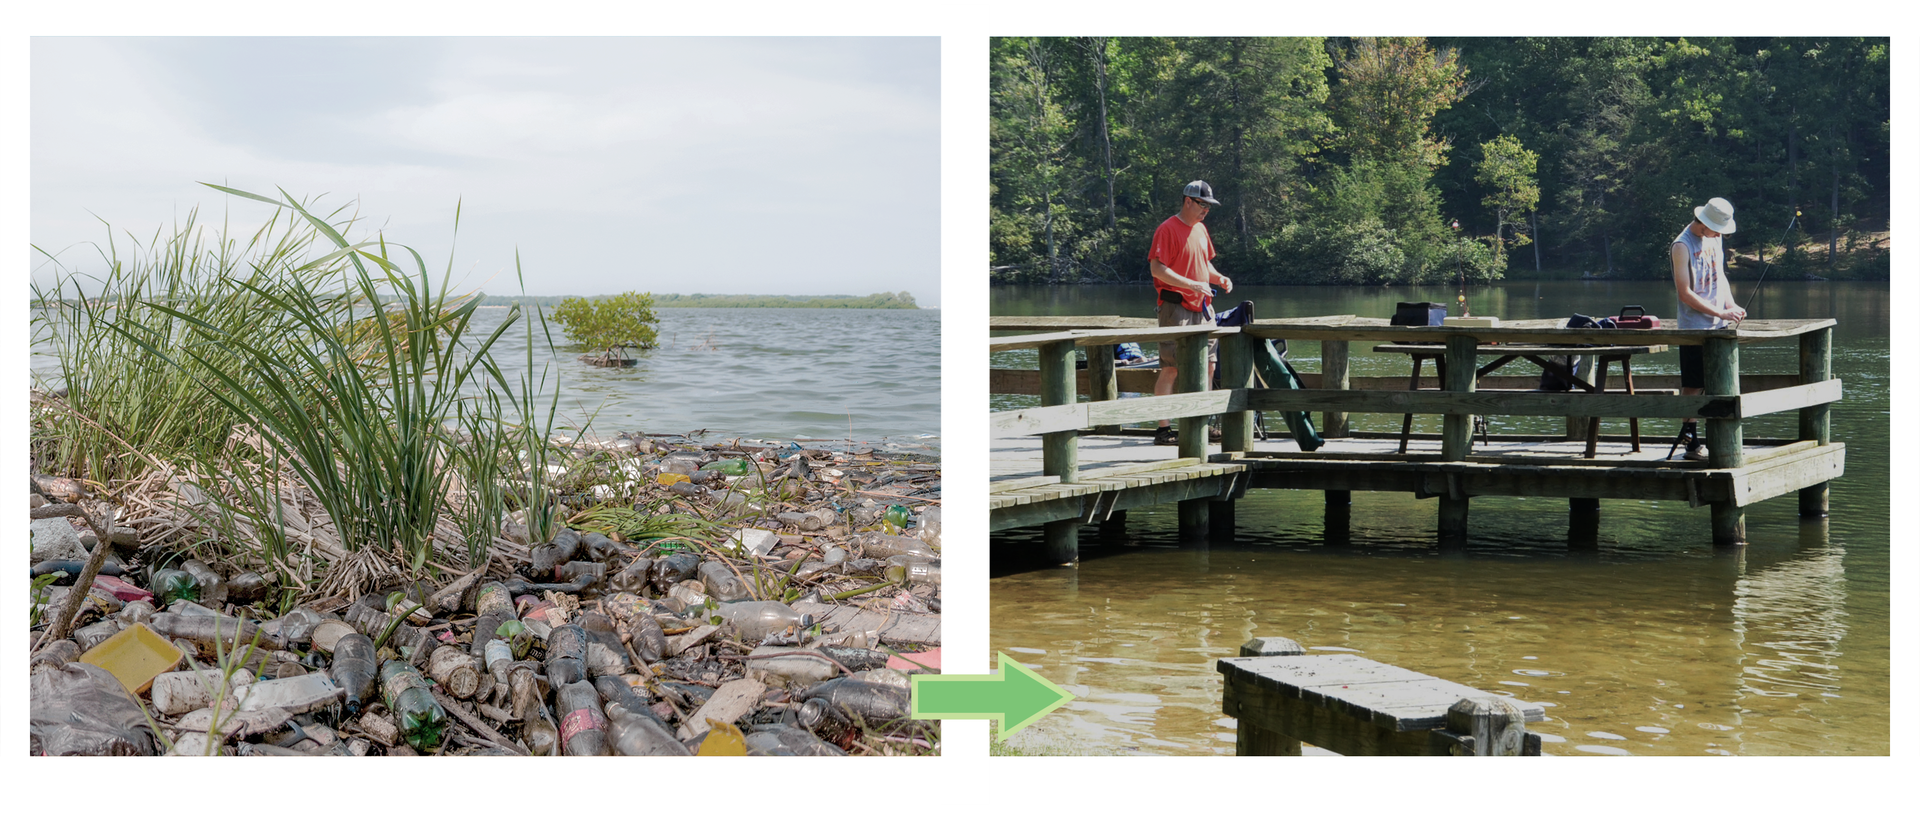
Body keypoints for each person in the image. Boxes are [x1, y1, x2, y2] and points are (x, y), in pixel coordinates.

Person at [1149, 180, 1233, 446]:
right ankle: (1164, 430)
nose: (1206, 210)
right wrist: (1191, 284)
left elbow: (1203, 263)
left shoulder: (1201, 229)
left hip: (1203, 307)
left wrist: (1219, 278)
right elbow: (1157, 269)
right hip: (1175, 307)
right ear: (1188, 201)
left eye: (1209, 206)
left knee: (1208, 365)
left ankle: (1202, 424)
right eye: (1203, 205)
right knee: (1172, 368)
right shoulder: (1167, 229)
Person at [1671, 196, 1745, 461]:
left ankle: (1721, 440)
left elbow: (1719, 274)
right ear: (1703, 223)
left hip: (1720, 324)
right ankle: (1691, 443)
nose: (1720, 234)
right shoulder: (1682, 246)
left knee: (1721, 383)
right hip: (1693, 327)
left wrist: (1731, 305)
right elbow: (1684, 293)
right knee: (1693, 386)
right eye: (1717, 228)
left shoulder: (1716, 238)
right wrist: (1719, 312)